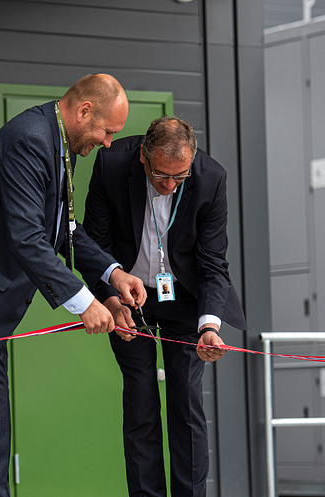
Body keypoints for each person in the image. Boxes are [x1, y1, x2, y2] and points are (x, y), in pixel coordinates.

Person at [0, 73, 147, 497]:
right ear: (85, 110)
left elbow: (64, 229)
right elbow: (27, 238)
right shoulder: (31, 140)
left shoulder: (56, 140)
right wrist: (84, 302)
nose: (108, 143)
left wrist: (112, 274)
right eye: (107, 132)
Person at [84, 116, 246, 497]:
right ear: (143, 157)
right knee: (140, 403)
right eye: (161, 176)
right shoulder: (111, 165)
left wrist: (210, 327)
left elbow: (212, 263)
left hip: (185, 297)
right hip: (127, 295)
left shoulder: (210, 178)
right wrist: (109, 298)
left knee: (186, 405)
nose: (170, 186)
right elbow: (94, 243)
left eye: (180, 177)